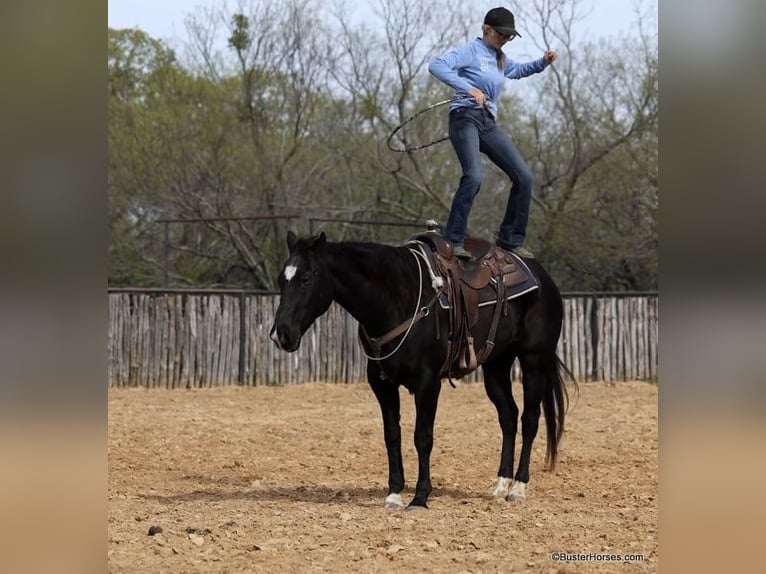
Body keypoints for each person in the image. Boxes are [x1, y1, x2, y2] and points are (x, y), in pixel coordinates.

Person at [428, 7, 556, 259]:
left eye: (509, 37)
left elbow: (518, 71)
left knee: (524, 177)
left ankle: (510, 238)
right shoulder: (471, 51)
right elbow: (436, 65)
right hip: (464, 118)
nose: (505, 40)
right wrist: (468, 88)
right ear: (487, 30)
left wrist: (543, 62)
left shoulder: (500, 58)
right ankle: (453, 240)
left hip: (487, 122)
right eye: (502, 35)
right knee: (474, 176)